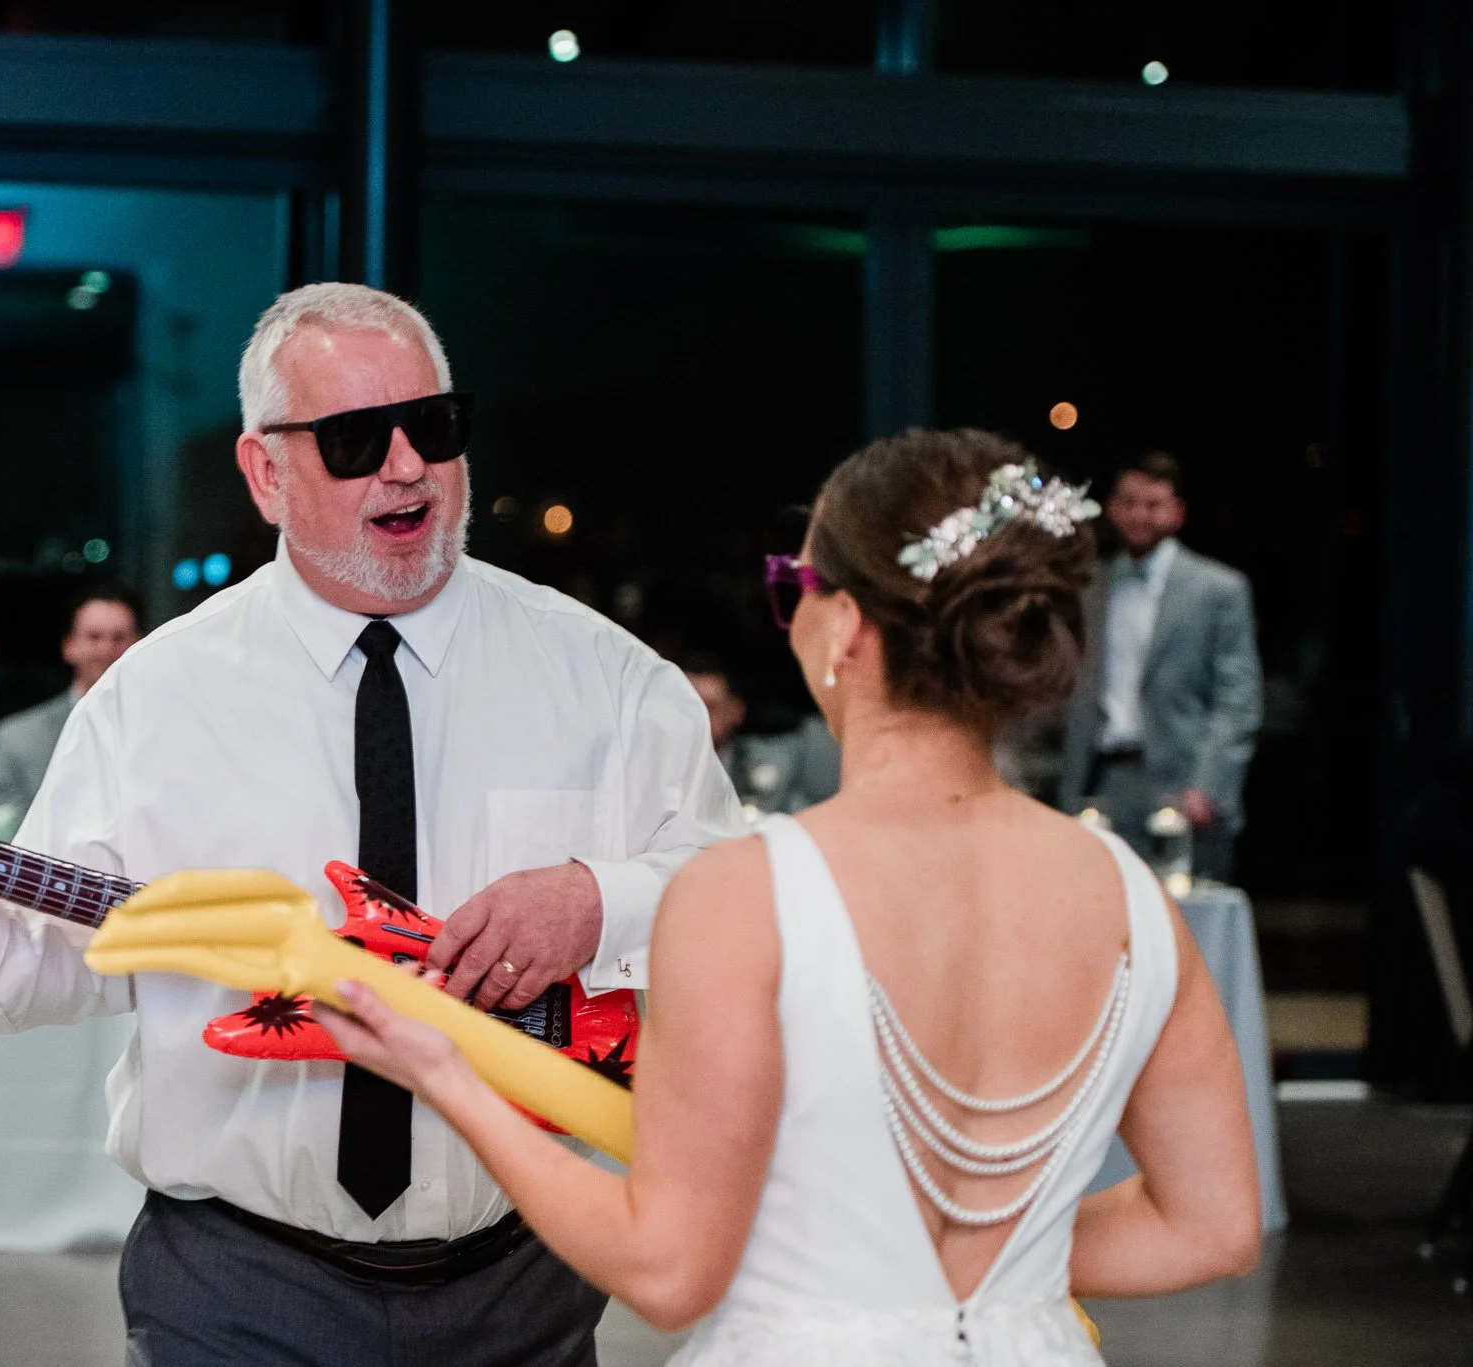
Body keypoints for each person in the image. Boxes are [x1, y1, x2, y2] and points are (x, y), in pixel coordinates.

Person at [0, 281, 742, 1365]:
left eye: (432, 429)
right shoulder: (152, 696)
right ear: (263, 472)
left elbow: (737, 900)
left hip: (523, 1282)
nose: (406, 466)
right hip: (236, 1287)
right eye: (354, 439)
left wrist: (597, 898)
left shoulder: (610, 682)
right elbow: (57, 965)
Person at [324, 429, 1261, 1363]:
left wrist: (447, 1074)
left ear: (846, 625)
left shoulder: (748, 893)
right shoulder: (1131, 896)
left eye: (792, 586)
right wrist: (988, 1263)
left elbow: (667, 1271)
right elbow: (1212, 1224)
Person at [1059, 452, 1261, 880]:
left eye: (1152, 505)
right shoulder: (1087, 586)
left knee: (1185, 924)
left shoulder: (1217, 589)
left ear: (1176, 512)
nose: (1138, 516)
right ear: (1112, 508)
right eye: (1128, 504)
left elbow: (1238, 698)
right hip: (1101, 781)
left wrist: (1209, 786)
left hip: (1180, 783)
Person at [0, 586, 143, 815]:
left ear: (140, 645)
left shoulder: (166, 730)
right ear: (69, 646)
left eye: (119, 638)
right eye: (94, 637)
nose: (106, 649)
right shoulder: (17, 739)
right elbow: (6, 834)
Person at [680, 652, 840, 817]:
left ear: (736, 712)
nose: (693, 720)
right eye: (683, 708)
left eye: (708, 708)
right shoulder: (657, 763)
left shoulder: (768, 766)